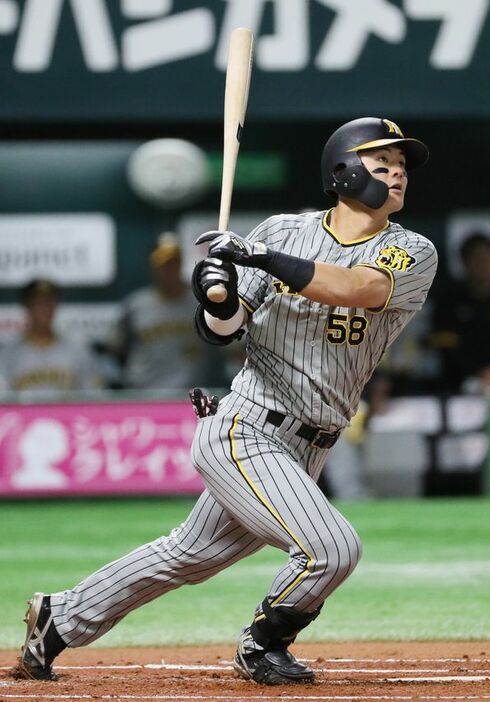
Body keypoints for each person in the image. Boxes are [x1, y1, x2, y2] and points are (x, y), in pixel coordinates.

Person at [14, 117, 437, 685]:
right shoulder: (285, 231)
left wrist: (257, 258)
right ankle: (263, 645)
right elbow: (224, 330)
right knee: (332, 549)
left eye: (402, 166)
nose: (397, 174)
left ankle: (59, 618)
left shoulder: (411, 249)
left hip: (310, 443)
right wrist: (217, 292)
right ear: (344, 169)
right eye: (383, 162)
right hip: (246, 428)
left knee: (190, 555)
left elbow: (358, 288)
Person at [110, 232, 216, 390]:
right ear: (154, 267)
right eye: (165, 265)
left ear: (181, 263)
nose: (170, 270)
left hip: (192, 393)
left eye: (174, 263)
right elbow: (117, 349)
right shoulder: (136, 305)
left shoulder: (202, 302)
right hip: (144, 393)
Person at [428, 232, 490, 393]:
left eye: (487, 258)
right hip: (462, 384)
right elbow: (447, 349)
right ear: (465, 263)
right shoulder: (450, 301)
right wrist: (480, 374)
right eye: (477, 259)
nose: (483, 264)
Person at [0, 279, 100, 395]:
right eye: (38, 303)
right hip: (23, 412)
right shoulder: (8, 354)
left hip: (68, 412)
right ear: (27, 306)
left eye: (48, 302)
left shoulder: (77, 350)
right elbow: (3, 401)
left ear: (55, 305)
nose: (44, 308)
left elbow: (93, 395)